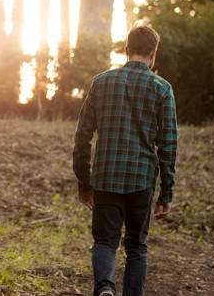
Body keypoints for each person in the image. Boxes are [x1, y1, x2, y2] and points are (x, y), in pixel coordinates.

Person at [72, 25, 178, 296]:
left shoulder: (101, 82)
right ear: (153, 54)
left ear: (125, 50)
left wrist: (84, 182)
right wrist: (166, 192)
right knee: (136, 248)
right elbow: (168, 145)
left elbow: (82, 136)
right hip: (141, 180)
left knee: (105, 242)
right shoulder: (162, 89)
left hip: (105, 177)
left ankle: (105, 287)